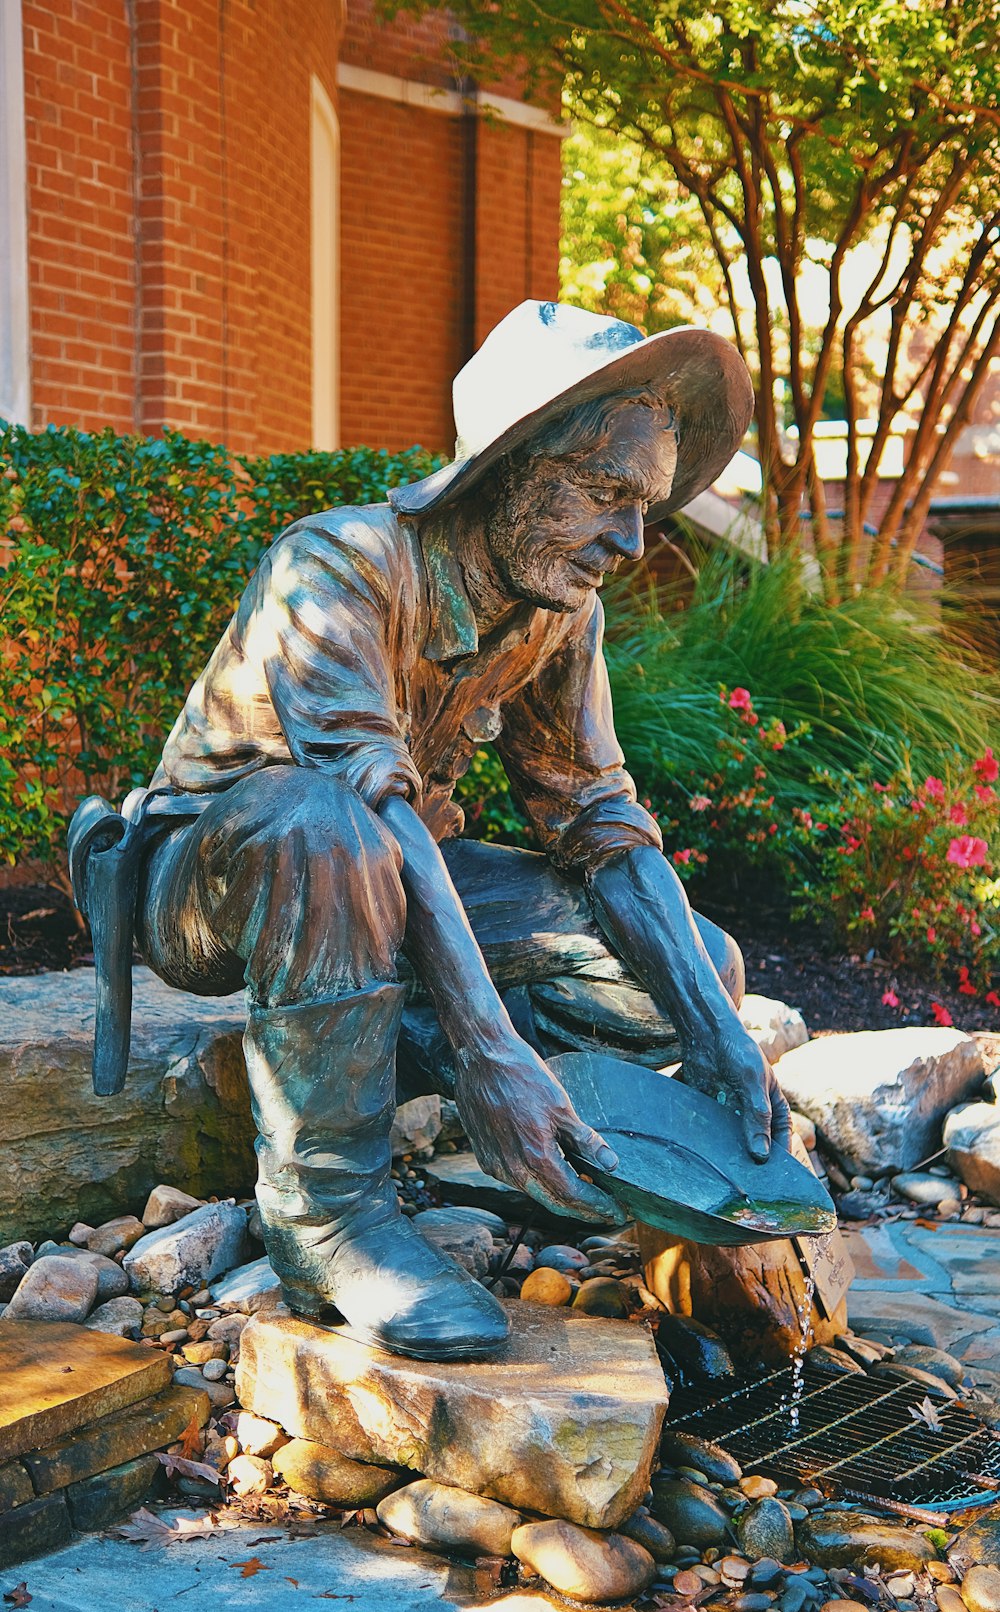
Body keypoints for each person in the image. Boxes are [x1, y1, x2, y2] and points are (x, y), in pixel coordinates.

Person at [70, 300, 791, 1362]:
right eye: (606, 495)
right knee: (325, 824)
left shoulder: (558, 610)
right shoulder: (340, 562)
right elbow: (365, 800)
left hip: (388, 873)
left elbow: (600, 820)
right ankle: (326, 1211)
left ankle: (514, 1120)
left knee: (690, 971)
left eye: (644, 508)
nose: (632, 542)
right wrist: (491, 1043)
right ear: (509, 466)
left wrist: (715, 1031)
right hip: (218, 881)